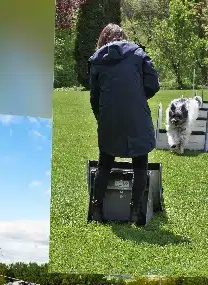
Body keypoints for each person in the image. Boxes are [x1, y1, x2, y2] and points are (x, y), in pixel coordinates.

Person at [87, 23, 160, 226]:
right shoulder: (138, 54)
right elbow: (153, 84)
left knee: (105, 162)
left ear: (103, 39)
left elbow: (94, 97)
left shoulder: (96, 60)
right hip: (136, 114)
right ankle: (135, 212)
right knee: (140, 161)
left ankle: (97, 209)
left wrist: (102, 117)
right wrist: (137, 97)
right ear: (123, 36)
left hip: (109, 117)